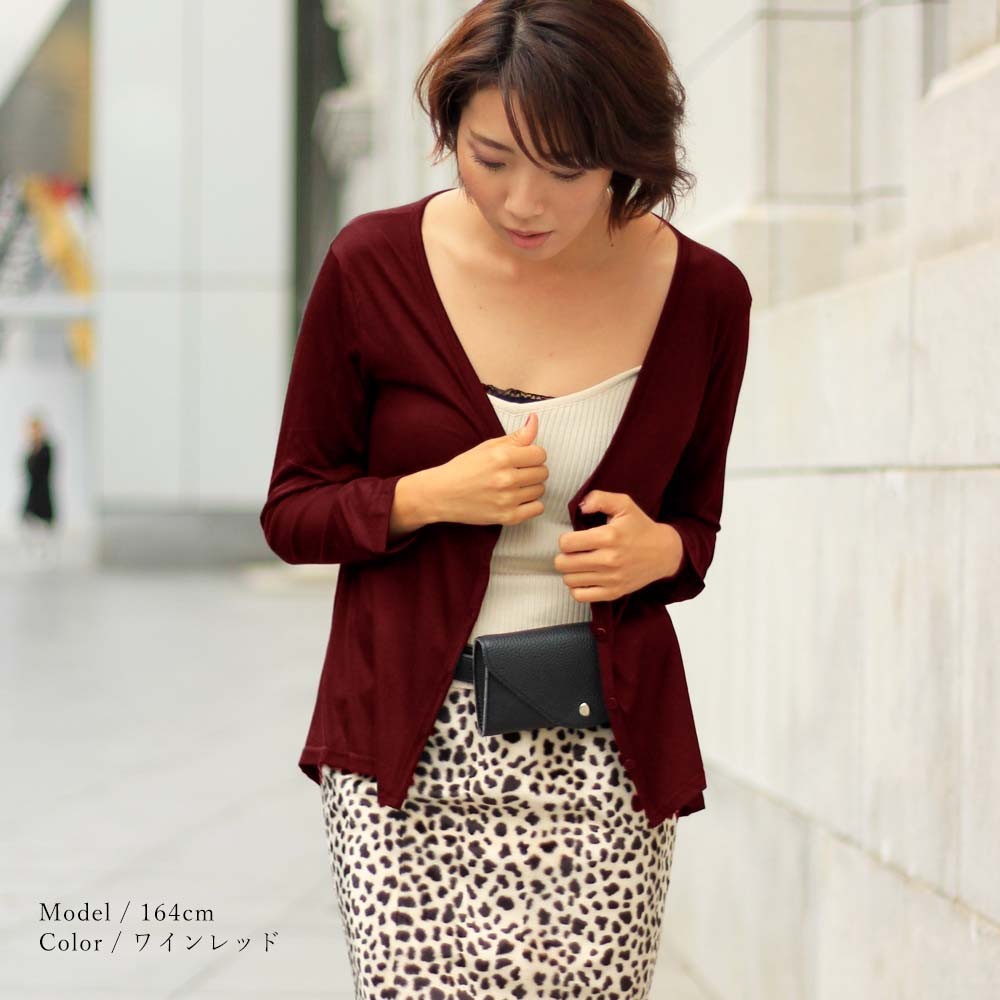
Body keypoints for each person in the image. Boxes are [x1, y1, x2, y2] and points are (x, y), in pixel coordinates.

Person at [260, 2, 753, 997]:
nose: (523, 201)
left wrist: (660, 551)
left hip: (602, 755)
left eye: (565, 169)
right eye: (489, 158)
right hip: (404, 752)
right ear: (450, 130)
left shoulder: (705, 297)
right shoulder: (372, 265)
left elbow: (695, 524)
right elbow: (293, 511)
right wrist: (423, 496)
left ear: (626, 152)